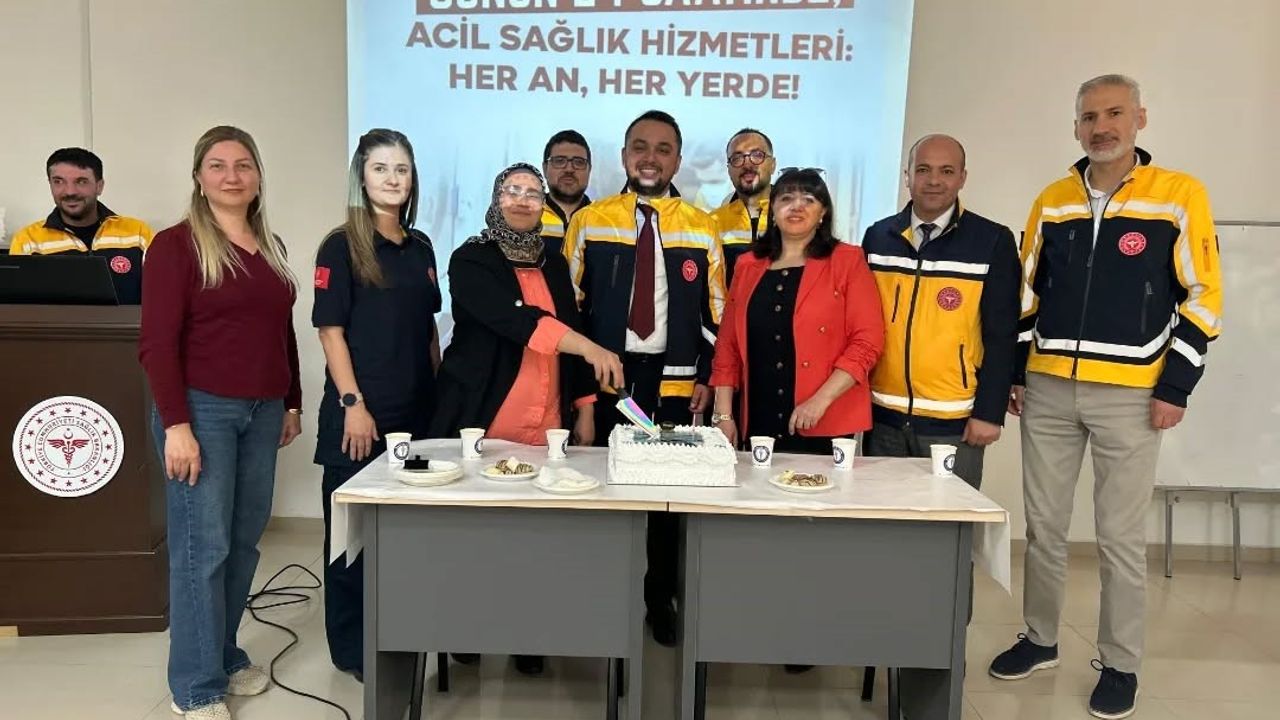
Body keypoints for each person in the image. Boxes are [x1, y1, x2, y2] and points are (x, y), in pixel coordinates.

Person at [988, 75, 1223, 720]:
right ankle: (1040, 639)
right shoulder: (1053, 200)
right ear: (1075, 127)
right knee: (1044, 528)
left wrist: (1176, 385)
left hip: (1132, 394)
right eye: (1089, 117)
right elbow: (1026, 295)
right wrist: (1016, 372)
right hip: (1049, 388)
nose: (1101, 127)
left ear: (1140, 118)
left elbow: (1204, 298)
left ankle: (1120, 664)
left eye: (1114, 113)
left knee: (1120, 538)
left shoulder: (1179, 195)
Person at [430, 164, 623, 674]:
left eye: (532, 193)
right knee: (478, 538)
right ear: (496, 198)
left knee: (537, 537)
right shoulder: (471, 258)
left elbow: (570, 325)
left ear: (542, 205)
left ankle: (528, 634)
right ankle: (467, 628)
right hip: (486, 418)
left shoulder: (553, 261)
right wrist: (590, 347)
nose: (522, 200)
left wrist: (585, 406)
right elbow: (516, 320)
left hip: (547, 419)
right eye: (512, 191)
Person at [139, 126, 303, 720]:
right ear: (199, 177)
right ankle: (195, 686)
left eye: (243, 165)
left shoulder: (270, 244)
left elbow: (281, 332)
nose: (232, 176)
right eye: (217, 165)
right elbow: (157, 344)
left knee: (240, 545)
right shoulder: (175, 246)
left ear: (258, 175)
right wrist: (176, 426)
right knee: (200, 550)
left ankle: (225, 654)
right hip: (201, 411)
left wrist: (291, 402)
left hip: (262, 412)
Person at [562, 109, 726, 647]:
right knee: (601, 489)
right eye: (639, 147)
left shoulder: (701, 226)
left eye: (662, 148)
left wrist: (708, 376)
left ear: (677, 160)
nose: (650, 158)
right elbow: (569, 313)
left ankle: (660, 599)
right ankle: (602, 597)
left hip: (676, 385)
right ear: (624, 156)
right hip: (608, 380)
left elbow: (716, 314)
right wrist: (582, 394)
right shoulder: (591, 221)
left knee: (667, 495)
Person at [312, 129, 441, 682]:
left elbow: (428, 329)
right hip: (360, 417)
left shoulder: (422, 247)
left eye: (401, 170)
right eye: (381, 169)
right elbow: (330, 331)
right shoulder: (340, 245)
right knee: (352, 543)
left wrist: (440, 396)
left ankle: (398, 633)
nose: (392, 179)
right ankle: (353, 650)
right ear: (361, 178)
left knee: (404, 539)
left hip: (416, 418)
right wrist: (353, 404)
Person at [861, 134, 1020, 490]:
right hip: (881, 418)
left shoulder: (992, 240)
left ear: (962, 177)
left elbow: (1002, 334)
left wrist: (989, 413)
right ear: (907, 176)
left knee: (949, 519)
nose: (934, 180)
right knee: (881, 516)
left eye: (946, 171)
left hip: (954, 422)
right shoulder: (878, 237)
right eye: (923, 170)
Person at [709, 167, 884, 454]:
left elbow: (868, 341)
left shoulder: (847, 260)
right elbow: (728, 345)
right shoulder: (747, 265)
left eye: (809, 200)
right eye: (786, 198)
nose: (797, 206)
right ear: (773, 210)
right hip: (758, 416)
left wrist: (820, 401)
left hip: (825, 417)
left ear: (823, 212)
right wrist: (723, 414)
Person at [9, 147, 154, 303]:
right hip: (55, 321)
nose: (70, 191)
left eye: (81, 181)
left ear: (99, 186)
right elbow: (18, 306)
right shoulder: (28, 240)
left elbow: (161, 293)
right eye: (58, 181)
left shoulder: (138, 233)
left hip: (128, 320)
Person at [709, 128, 776, 287]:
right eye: (737, 158)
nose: (747, 164)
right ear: (729, 169)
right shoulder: (712, 223)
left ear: (773, 165)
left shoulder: (794, 218)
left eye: (757, 155)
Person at [540, 129, 593, 256]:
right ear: (545, 169)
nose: (569, 169)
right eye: (559, 161)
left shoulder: (604, 221)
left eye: (579, 162)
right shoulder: (526, 217)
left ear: (589, 170)